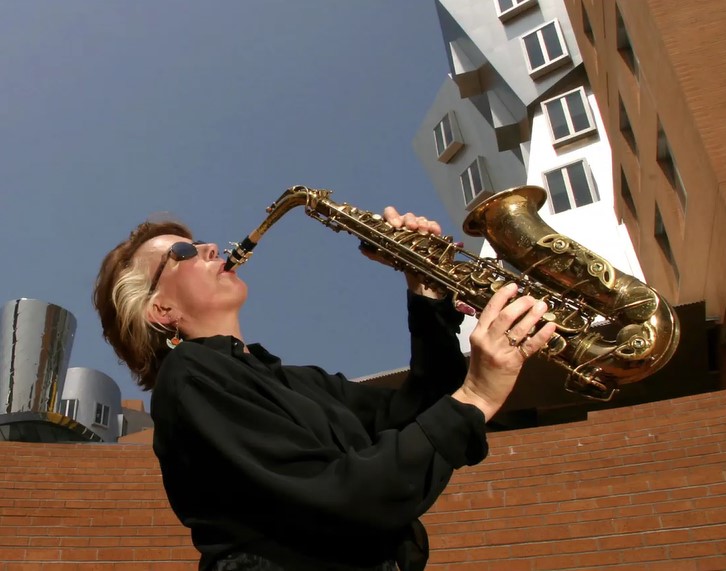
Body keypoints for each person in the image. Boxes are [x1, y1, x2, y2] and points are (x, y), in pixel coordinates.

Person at [93, 207, 556, 571]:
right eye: (184, 254)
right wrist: (475, 396)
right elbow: (347, 497)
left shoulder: (297, 381)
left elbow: (415, 413)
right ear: (162, 310)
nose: (211, 247)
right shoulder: (189, 376)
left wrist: (427, 292)